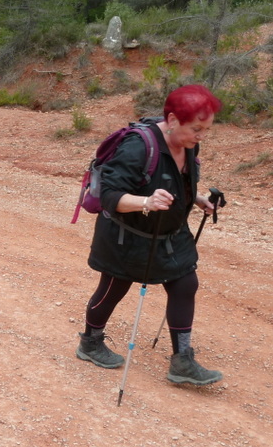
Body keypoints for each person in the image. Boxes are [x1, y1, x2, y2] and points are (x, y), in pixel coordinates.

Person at [76, 84, 224, 386]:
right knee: (113, 289)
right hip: (127, 234)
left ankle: (182, 361)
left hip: (169, 233)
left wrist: (198, 200)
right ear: (171, 121)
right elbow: (110, 196)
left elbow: (177, 181)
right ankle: (90, 342)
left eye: (206, 130)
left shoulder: (188, 143)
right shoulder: (137, 147)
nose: (200, 136)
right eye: (196, 129)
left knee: (185, 283)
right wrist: (146, 202)